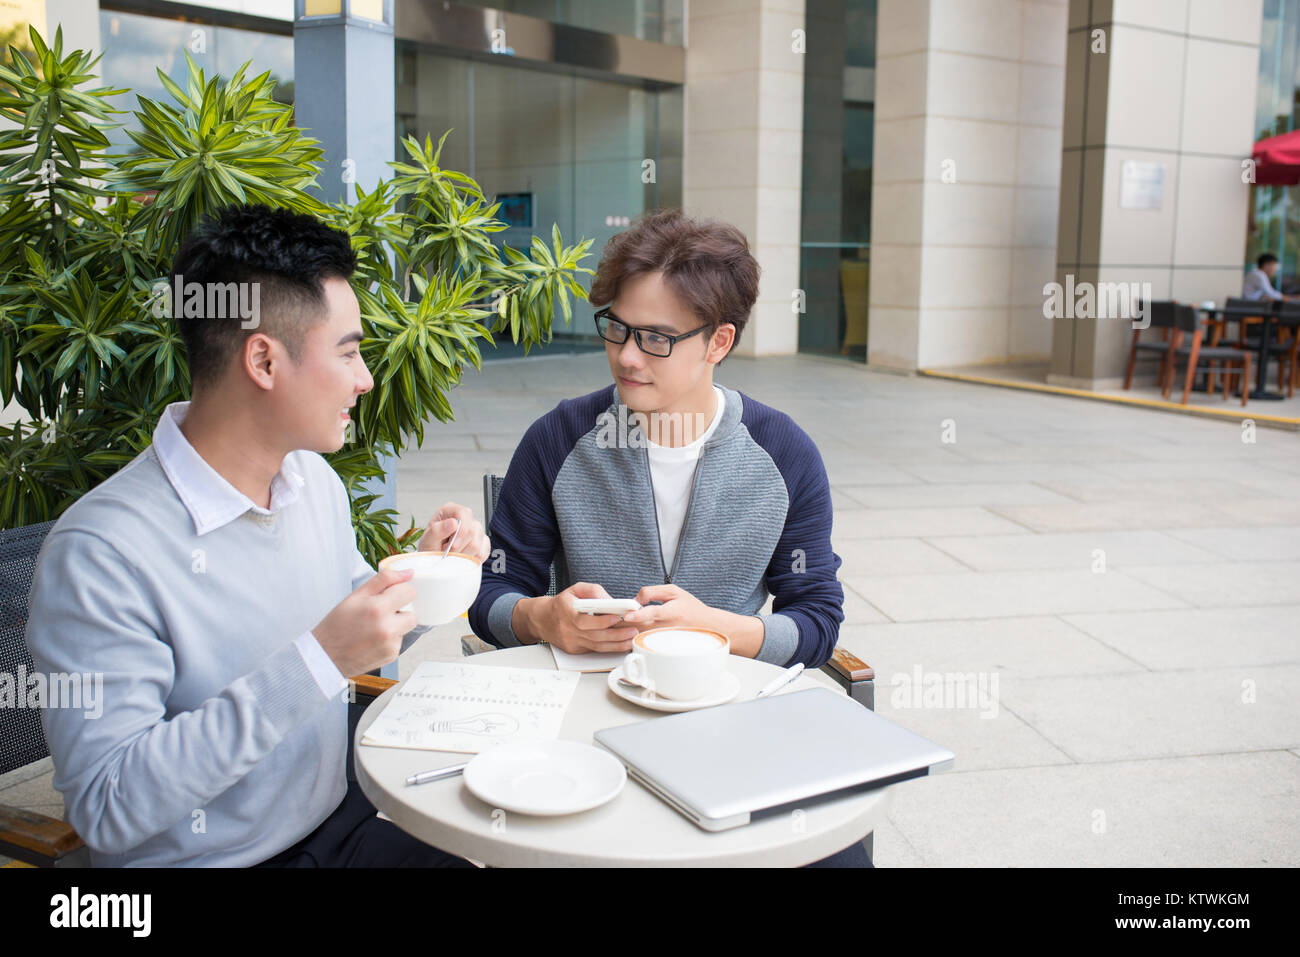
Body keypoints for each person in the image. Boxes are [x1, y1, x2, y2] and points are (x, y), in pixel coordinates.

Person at [25, 204, 487, 867]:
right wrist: (317, 660)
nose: (365, 379)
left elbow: (359, 632)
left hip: (338, 821)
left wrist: (427, 578)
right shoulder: (101, 554)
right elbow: (107, 804)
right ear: (264, 360)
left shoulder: (311, 482)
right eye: (349, 352)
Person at [467, 208, 868, 867]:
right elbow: (493, 592)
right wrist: (543, 616)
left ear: (718, 342)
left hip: (731, 723)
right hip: (585, 730)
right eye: (617, 328)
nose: (626, 355)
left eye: (656, 338)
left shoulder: (782, 452)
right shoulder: (558, 439)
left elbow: (817, 617)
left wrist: (719, 630)